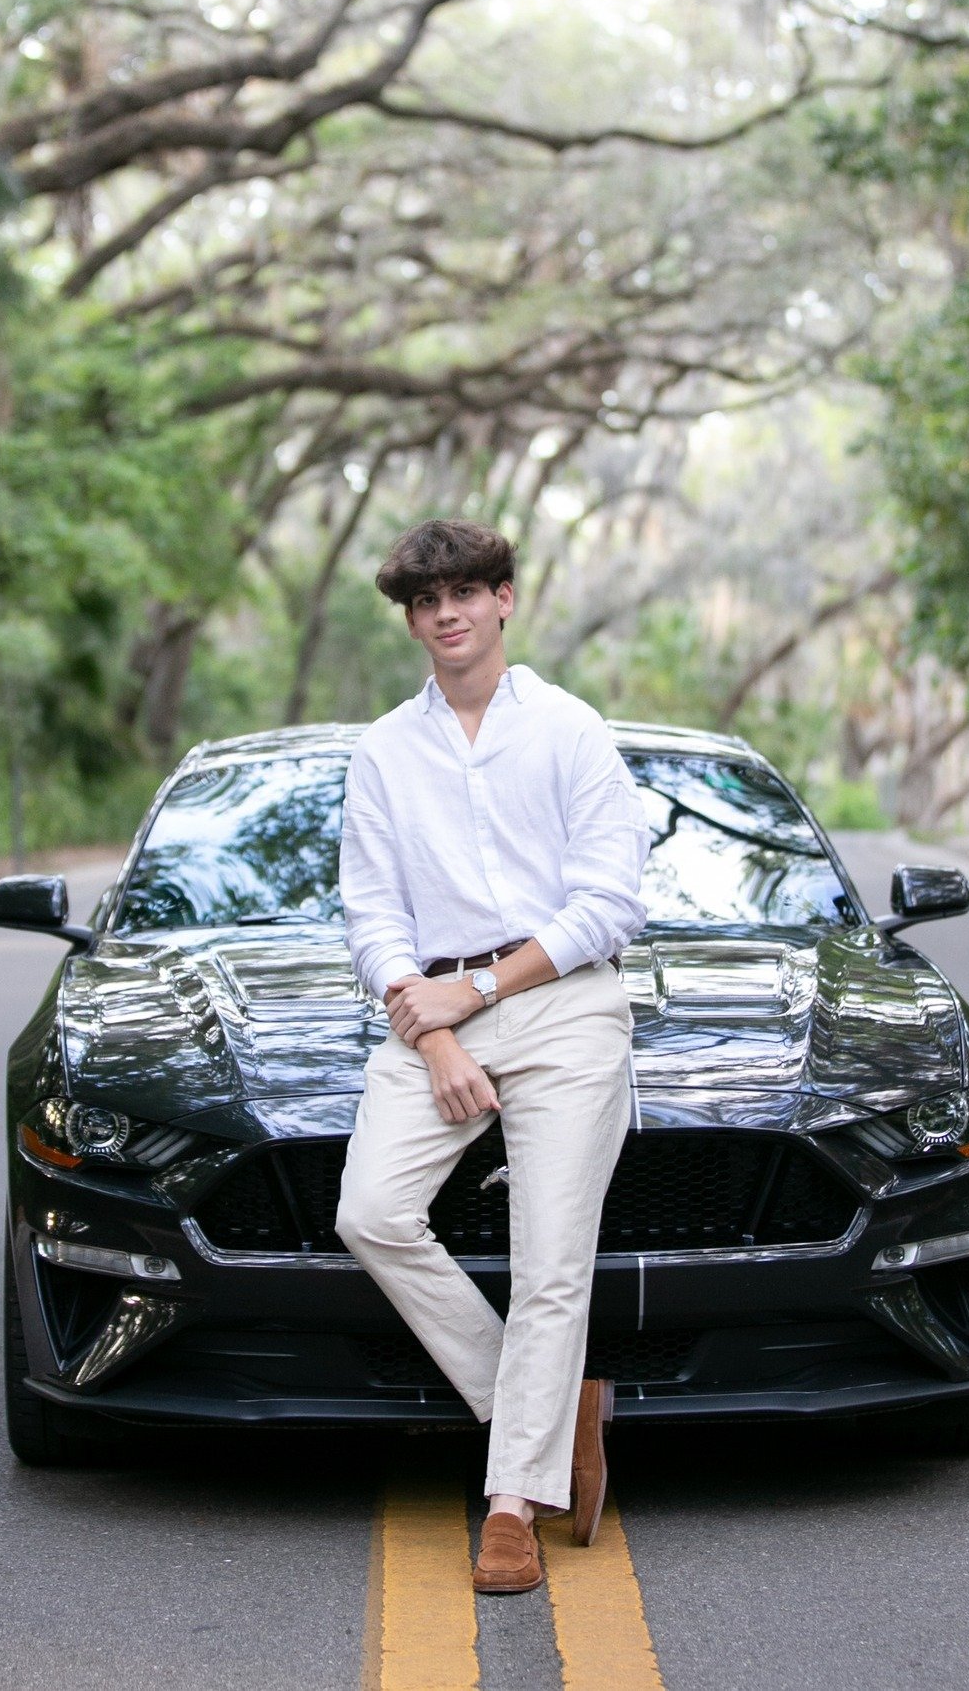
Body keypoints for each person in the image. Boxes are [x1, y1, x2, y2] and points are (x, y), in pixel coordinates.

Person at [334, 518, 650, 1594]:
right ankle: (557, 1420)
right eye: (427, 601)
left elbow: (610, 904)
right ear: (413, 620)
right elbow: (371, 913)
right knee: (371, 1210)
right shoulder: (384, 750)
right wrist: (430, 1031)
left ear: (505, 598)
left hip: (562, 1006)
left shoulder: (570, 732)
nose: (447, 613)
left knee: (549, 1257)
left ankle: (511, 1502)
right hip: (433, 1008)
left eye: (466, 591)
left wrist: (475, 992)